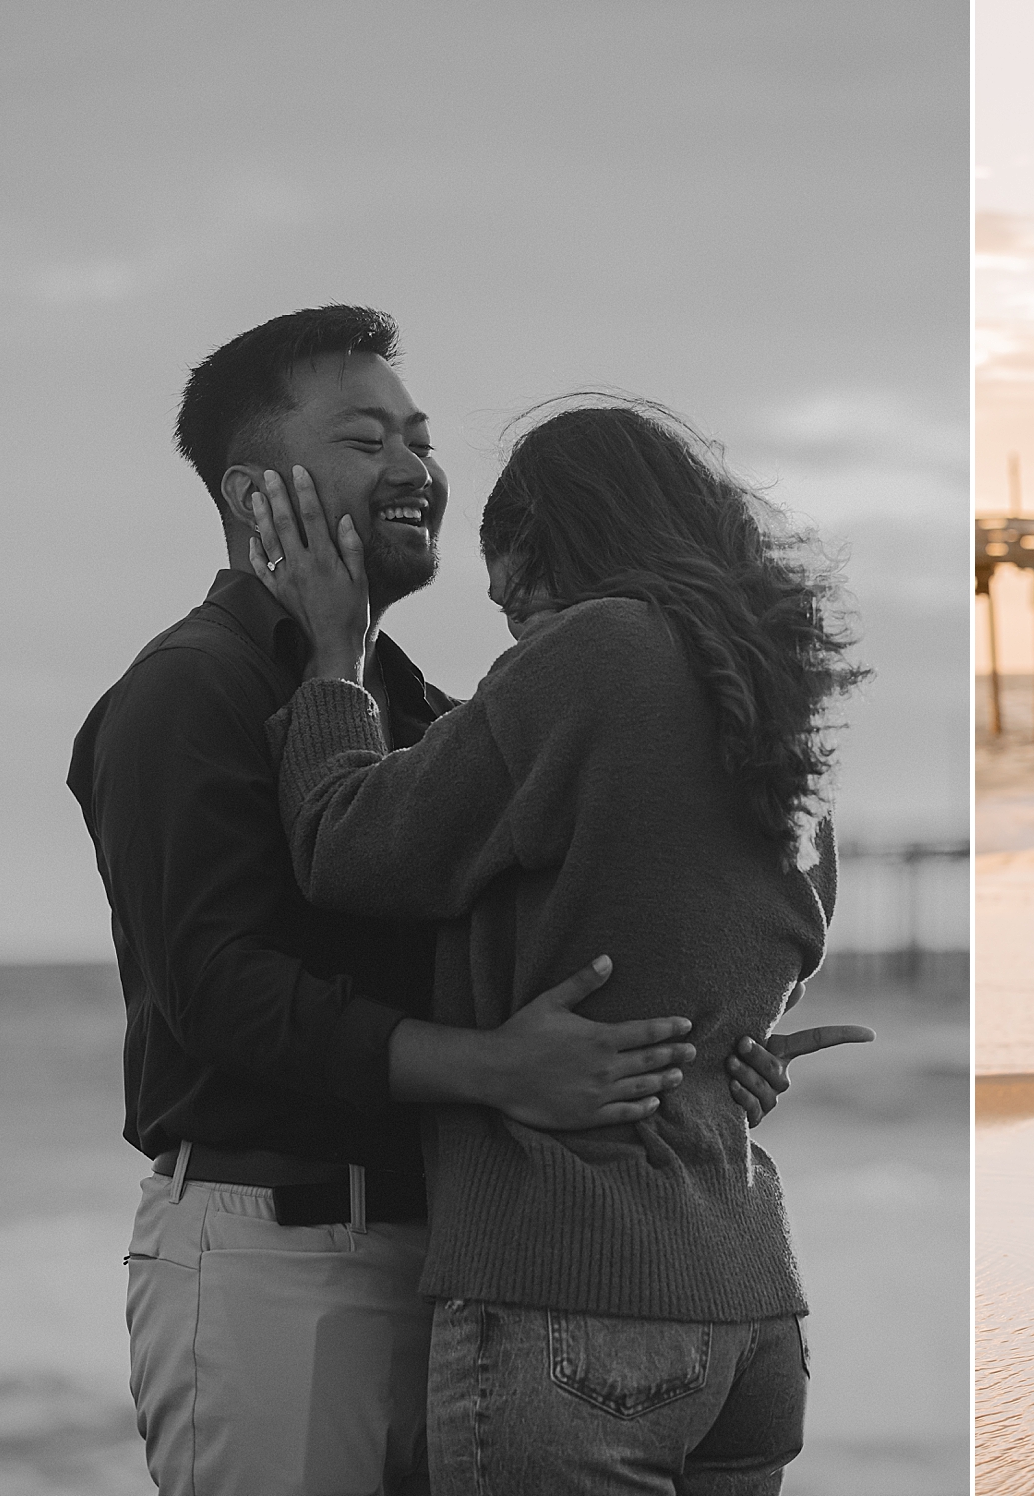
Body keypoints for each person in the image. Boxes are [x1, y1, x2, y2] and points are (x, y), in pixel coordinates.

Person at [68, 308, 791, 1495]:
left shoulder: (425, 707)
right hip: (277, 1251)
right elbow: (220, 993)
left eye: (419, 437)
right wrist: (494, 1067)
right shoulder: (183, 692)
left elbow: (543, 937)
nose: (415, 468)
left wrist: (706, 1048)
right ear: (257, 496)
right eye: (366, 440)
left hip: (472, 1258)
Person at [246, 394, 870, 1493]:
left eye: (519, 586)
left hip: (570, 1291)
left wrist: (336, 661)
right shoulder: (774, 688)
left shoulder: (599, 647)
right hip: (747, 1308)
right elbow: (784, 930)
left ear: (571, 540)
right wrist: (729, 1048)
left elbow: (349, 847)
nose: (516, 624)